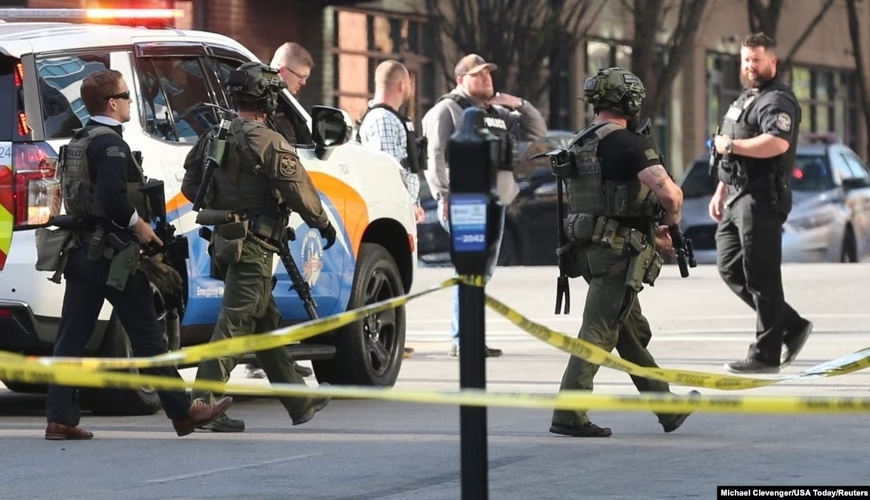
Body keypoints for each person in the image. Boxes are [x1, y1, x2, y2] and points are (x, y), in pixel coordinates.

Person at [44, 69, 232, 440]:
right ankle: (183, 414)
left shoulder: (79, 141)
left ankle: (59, 418)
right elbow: (115, 201)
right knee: (148, 335)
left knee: (71, 335)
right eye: (127, 96)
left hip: (81, 251)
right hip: (114, 255)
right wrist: (143, 231)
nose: (131, 102)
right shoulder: (111, 145)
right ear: (112, 103)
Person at [182, 62, 336, 433]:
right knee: (234, 324)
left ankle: (300, 401)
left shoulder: (213, 136)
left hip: (226, 241)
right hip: (254, 245)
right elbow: (298, 191)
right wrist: (322, 223)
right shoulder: (267, 140)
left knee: (265, 326)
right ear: (267, 98)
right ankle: (202, 404)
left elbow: (190, 187)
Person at [548, 67, 698, 438]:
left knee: (631, 333)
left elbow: (601, 200)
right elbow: (669, 193)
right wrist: (672, 220)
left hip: (586, 250)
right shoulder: (629, 143)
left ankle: (667, 407)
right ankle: (569, 413)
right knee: (598, 333)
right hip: (616, 255)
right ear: (630, 101)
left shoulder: (580, 142)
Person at [421, 53, 547, 358]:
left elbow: (538, 131)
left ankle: (470, 334)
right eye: (478, 74)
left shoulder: (497, 113)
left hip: (495, 199)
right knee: (469, 268)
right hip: (464, 201)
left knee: (483, 271)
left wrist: (517, 103)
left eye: (489, 73)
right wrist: (443, 195)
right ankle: (464, 338)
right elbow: (435, 156)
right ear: (461, 80)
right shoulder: (447, 110)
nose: (487, 78)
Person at [709, 33, 813, 374]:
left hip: (761, 197)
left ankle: (765, 355)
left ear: (773, 62)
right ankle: (792, 325)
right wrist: (721, 190)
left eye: (756, 60)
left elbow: (775, 143)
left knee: (761, 274)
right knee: (729, 267)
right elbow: (732, 143)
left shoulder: (777, 100)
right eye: (745, 60)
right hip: (737, 194)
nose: (750, 66)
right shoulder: (746, 99)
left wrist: (730, 148)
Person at [357, 60, 425, 359]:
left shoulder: (390, 118)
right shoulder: (384, 120)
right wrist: (409, 202)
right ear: (402, 85)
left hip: (399, 209)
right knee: (387, 278)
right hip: (390, 211)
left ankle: (389, 338)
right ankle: (384, 341)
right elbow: (389, 168)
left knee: (393, 278)